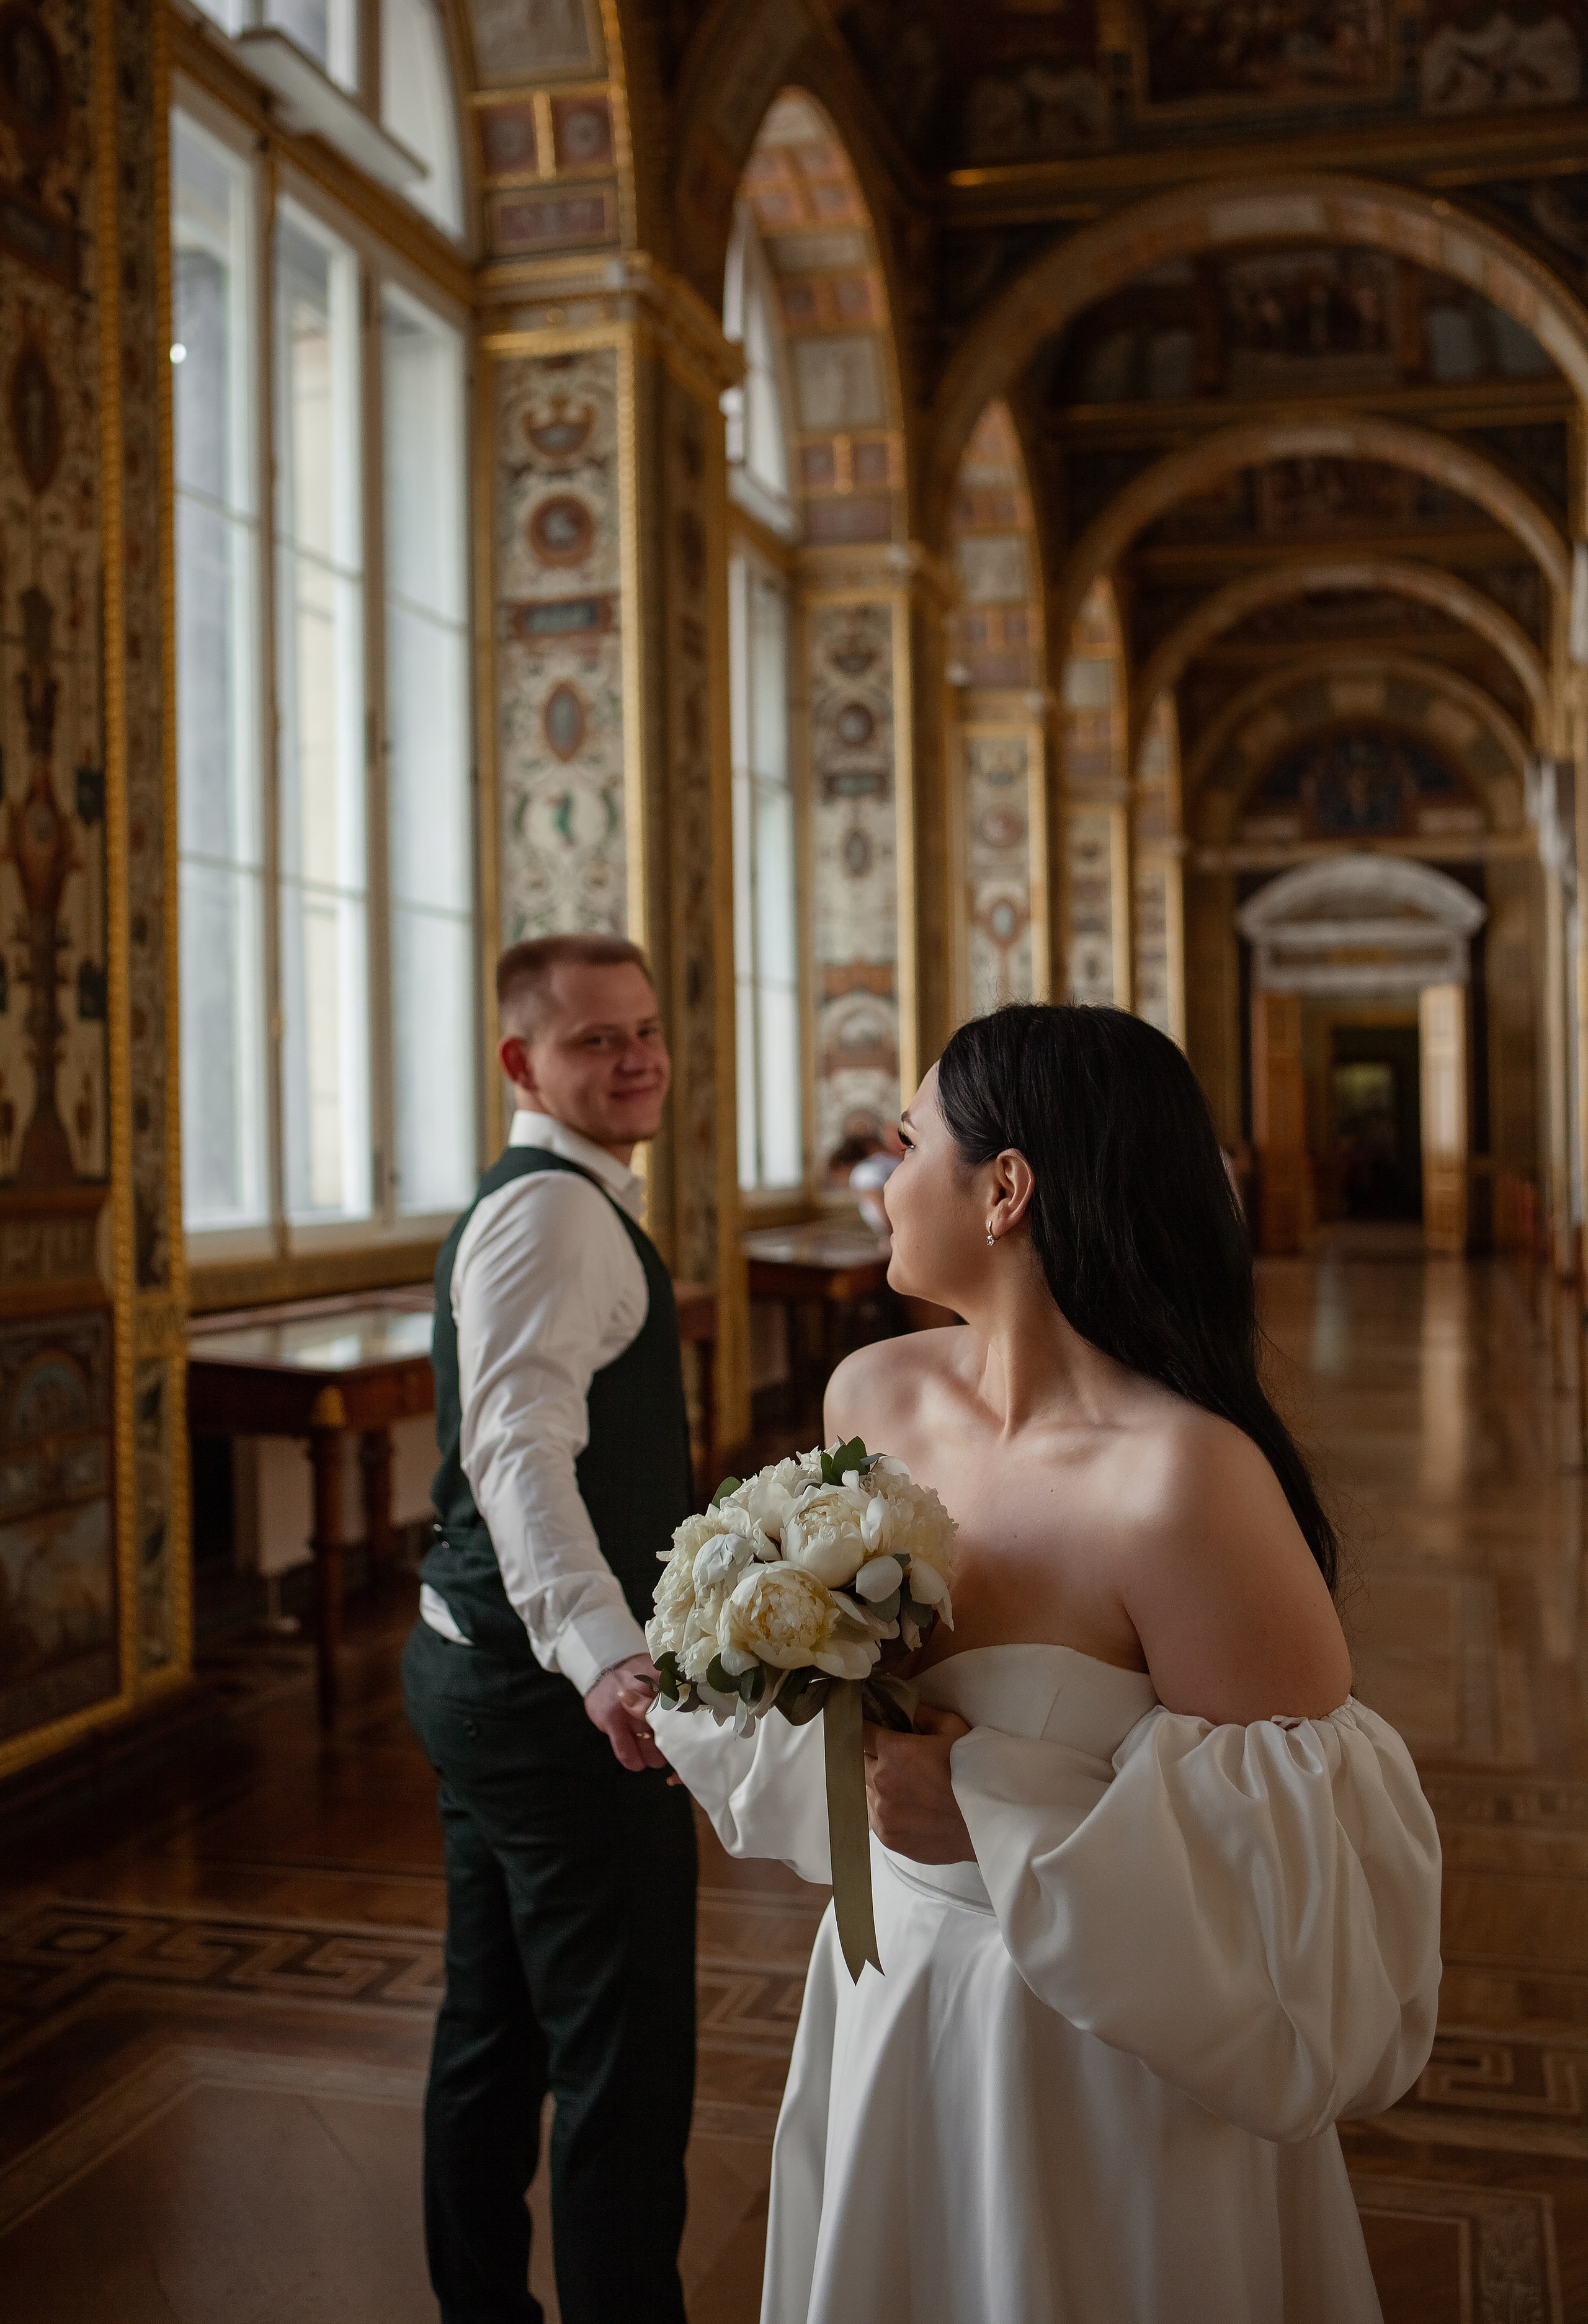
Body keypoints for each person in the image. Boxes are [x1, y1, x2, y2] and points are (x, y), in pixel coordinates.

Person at [656, 1003, 1442, 2324]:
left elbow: (1304, 1863)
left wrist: (995, 1809)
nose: (883, 1180)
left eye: (908, 1143)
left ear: (1005, 1189)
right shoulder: (870, 1397)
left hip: (1096, 2047)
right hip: (890, 1978)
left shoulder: (1182, 1482)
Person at [403, 933, 697, 2324]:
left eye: (645, 1030)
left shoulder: (565, 1200)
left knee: (495, 2030)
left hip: (478, 1675)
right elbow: (519, 1455)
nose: (637, 1059)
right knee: (620, 2067)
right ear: (522, 1061)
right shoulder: (559, 1214)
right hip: (545, 1709)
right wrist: (606, 1659)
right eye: (596, 1039)